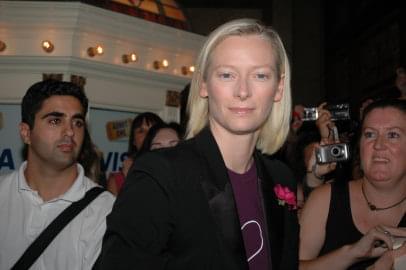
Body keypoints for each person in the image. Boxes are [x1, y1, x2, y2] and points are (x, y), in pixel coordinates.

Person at [97, 18, 298, 270]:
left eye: (260, 75)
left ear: (278, 87)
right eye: (227, 75)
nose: (243, 91)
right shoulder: (161, 175)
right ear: (203, 84)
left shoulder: (282, 177)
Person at [0, 80, 115, 270]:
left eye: (77, 122)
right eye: (55, 120)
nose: (70, 131)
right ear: (26, 132)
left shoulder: (105, 210)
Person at [299, 98, 406, 270]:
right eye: (370, 134)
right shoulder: (326, 199)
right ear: (359, 146)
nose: (379, 145)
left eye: (393, 135)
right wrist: (350, 254)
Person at [106, 112, 163, 195]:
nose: (148, 135)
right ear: (133, 141)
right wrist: (129, 179)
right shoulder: (117, 180)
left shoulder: (174, 172)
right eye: (141, 131)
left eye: (153, 130)